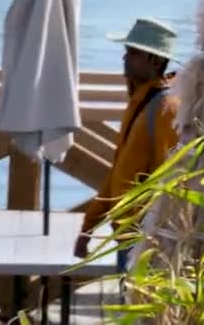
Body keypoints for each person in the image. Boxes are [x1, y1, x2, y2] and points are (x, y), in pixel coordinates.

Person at [74, 18, 180, 260]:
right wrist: (88, 226)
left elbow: (170, 174)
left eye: (132, 53)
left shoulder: (165, 107)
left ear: (154, 60)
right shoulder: (140, 102)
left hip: (146, 236)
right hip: (127, 233)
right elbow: (119, 172)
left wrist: (156, 233)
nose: (124, 58)